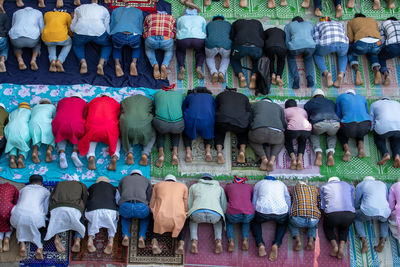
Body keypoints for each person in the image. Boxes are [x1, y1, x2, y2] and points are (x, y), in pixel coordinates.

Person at [10, 175, 50, 260]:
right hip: (35, 220)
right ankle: (40, 248)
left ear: (30, 183)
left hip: (17, 217)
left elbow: (18, 202)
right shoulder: (45, 191)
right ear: (41, 184)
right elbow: (46, 210)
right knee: (46, 226)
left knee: (20, 224)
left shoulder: (23, 190)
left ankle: (22, 244)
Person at [251, 176, 290, 261]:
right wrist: (288, 212)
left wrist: (254, 211)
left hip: (262, 212)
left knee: (255, 222)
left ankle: (260, 244)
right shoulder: (281, 184)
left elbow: (254, 198)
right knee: (283, 223)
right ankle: (276, 244)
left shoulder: (259, 183)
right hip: (281, 212)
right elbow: (287, 198)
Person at [78, 95, 121, 171]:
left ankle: (91, 156)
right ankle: (115, 156)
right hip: (109, 128)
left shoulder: (93, 101)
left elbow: (87, 110)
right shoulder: (115, 102)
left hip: (93, 126)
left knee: (91, 137)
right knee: (116, 138)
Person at [44, 179, 87, 254]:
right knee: (80, 220)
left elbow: (51, 198)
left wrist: (49, 214)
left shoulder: (59, 184)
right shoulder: (81, 185)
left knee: (55, 223)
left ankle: (57, 238)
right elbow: (85, 198)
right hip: (74, 209)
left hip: (57, 208)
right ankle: (77, 239)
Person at [188, 173, 227, 254]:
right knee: (218, 221)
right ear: (212, 180)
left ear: (201, 180)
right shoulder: (219, 188)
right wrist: (222, 215)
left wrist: (190, 213)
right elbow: (223, 204)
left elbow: (190, 203)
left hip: (197, 213)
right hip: (214, 215)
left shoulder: (194, 186)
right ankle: (218, 241)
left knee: (192, 221)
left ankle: (194, 241)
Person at [150, 174, 188, 255]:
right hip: (177, 218)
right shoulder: (183, 186)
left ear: (165, 181)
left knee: (153, 217)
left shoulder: (157, 185)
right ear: (175, 181)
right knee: (184, 219)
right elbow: (185, 205)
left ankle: (155, 243)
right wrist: (185, 213)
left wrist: (152, 211)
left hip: (161, 218)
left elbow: (152, 204)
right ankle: (181, 244)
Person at [70, 3, 112, 75]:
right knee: (107, 45)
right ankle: (101, 62)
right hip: (98, 32)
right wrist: (107, 36)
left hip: (81, 32)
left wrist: (74, 32)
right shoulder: (104, 9)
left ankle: (83, 62)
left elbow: (73, 25)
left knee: (77, 45)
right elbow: (107, 26)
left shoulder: (79, 8)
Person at [320, 177, 355, 259]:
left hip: (333, 214)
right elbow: (351, 201)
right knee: (344, 228)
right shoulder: (348, 185)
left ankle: (335, 246)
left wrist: (326, 212)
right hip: (349, 214)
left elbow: (322, 204)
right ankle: (342, 248)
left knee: (328, 227)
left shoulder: (324, 187)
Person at [354, 176, 391, 253]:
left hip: (368, 212)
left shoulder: (361, 185)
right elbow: (386, 199)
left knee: (357, 218)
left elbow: (356, 203)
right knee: (384, 221)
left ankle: (364, 241)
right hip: (384, 212)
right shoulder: (382, 184)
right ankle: (383, 240)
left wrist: (358, 205)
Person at [248, 98, 286, 171]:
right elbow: (283, 123)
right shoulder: (279, 107)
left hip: (259, 131)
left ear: (261, 101)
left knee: (252, 140)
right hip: (276, 133)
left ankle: (263, 158)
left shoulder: (255, 105)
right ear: (271, 102)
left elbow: (250, 119)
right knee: (280, 142)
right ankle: (272, 159)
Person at [304, 89, 340, 167]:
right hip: (334, 123)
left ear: (313, 97)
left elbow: (307, 116)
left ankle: (318, 153)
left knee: (313, 134)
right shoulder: (331, 102)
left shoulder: (309, 103)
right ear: (324, 96)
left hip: (319, 124)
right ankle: (330, 154)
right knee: (332, 135)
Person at [214, 88, 251, 164]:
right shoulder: (244, 97)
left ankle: (219, 152)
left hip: (223, 122)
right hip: (240, 124)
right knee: (243, 132)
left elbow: (215, 108)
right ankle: (242, 151)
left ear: (225, 91)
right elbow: (248, 111)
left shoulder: (220, 95)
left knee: (219, 131)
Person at [84, 176, 118, 255]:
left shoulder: (91, 188)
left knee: (90, 221)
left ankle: (90, 239)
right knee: (114, 221)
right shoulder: (114, 188)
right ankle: (111, 240)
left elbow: (86, 200)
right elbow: (117, 201)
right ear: (108, 182)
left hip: (93, 211)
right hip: (110, 211)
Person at [52, 93, 87, 169]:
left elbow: (58, 110)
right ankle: (74, 153)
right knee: (81, 134)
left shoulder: (62, 100)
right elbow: (84, 116)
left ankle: (62, 154)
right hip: (75, 125)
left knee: (60, 135)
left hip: (59, 123)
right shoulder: (83, 103)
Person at [118, 170, 152, 248]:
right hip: (140, 207)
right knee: (146, 217)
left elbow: (120, 192)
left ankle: (126, 235)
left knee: (124, 217)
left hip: (125, 206)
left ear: (131, 174)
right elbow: (149, 195)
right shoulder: (146, 179)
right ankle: (141, 236)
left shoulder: (124, 178)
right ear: (140, 175)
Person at [120, 94, 155, 167]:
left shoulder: (124, 101)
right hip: (144, 130)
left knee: (123, 132)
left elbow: (120, 112)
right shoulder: (150, 101)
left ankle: (129, 152)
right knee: (153, 134)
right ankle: (145, 153)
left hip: (128, 128)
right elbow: (153, 113)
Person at [347, 14, 382, 86]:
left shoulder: (351, 21)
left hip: (362, 43)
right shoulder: (373, 20)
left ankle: (357, 71)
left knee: (352, 54)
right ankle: (377, 70)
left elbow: (350, 39)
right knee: (373, 54)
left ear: (356, 17)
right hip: (377, 43)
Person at [313, 17, 349, 88]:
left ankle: (326, 73)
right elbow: (344, 34)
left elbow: (316, 38)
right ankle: (341, 74)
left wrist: (317, 48)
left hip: (326, 44)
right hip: (342, 43)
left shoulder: (318, 24)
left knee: (317, 55)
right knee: (342, 56)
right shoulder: (339, 24)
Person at [336, 90, 371, 162]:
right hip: (365, 126)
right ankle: (361, 148)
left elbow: (338, 114)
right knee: (360, 130)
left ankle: (347, 150)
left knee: (340, 131)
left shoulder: (341, 97)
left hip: (349, 127)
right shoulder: (362, 97)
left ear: (346, 93)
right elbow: (366, 112)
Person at [153, 88, 184, 168]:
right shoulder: (180, 95)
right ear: (172, 90)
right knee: (176, 132)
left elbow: (154, 107)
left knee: (160, 132)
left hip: (161, 124)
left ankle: (161, 153)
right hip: (177, 124)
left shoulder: (157, 94)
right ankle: (174, 153)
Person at [182, 87, 215, 163]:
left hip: (192, 120)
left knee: (186, 133)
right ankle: (208, 151)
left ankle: (188, 152)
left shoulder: (189, 96)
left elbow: (183, 109)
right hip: (206, 121)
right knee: (210, 131)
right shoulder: (211, 97)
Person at [110, 6, 143, 77]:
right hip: (133, 35)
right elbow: (140, 28)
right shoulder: (139, 11)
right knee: (136, 48)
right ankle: (133, 63)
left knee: (116, 48)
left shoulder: (115, 10)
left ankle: (117, 64)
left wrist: (112, 34)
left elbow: (111, 25)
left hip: (118, 34)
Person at [230, 19, 264, 89]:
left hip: (240, 47)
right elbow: (262, 36)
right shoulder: (258, 22)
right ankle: (254, 75)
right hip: (255, 47)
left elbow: (232, 37)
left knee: (234, 59)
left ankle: (241, 75)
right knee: (257, 60)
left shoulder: (236, 22)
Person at [284, 16, 316, 89]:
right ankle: (310, 78)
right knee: (308, 58)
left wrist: (288, 49)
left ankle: (296, 78)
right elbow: (312, 36)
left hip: (295, 47)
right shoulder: (309, 24)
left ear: (293, 21)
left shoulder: (288, 26)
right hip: (310, 46)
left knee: (291, 58)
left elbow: (287, 39)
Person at [143, 11, 176, 80]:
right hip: (166, 39)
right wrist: (173, 38)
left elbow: (145, 28)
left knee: (149, 50)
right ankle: (164, 65)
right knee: (169, 51)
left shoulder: (149, 16)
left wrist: (145, 36)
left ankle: (155, 64)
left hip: (151, 38)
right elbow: (174, 30)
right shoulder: (171, 18)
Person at [225, 176, 254, 252]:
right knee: (246, 221)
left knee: (228, 221)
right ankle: (245, 240)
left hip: (233, 214)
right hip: (248, 213)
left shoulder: (228, 186)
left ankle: (231, 241)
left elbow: (226, 197)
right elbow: (251, 198)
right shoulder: (249, 187)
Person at [289, 181, 320, 251]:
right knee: (314, 225)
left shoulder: (294, 189)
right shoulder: (314, 189)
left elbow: (291, 201)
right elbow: (318, 203)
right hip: (313, 219)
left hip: (298, 220)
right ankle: (310, 241)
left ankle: (298, 240)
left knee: (291, 221)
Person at [176, 8, 206, 80]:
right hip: (198, 39)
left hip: (183, 39)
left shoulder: (180, 18)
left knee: (180, 51)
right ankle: (198, 67)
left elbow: (178, 29)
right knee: (200, 51)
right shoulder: (201, 18)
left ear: (185, 12)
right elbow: (204, 31)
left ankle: (182, 67)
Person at [370, 97, 400, 167]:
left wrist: (372, 129)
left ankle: (385, 153)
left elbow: (371, 119)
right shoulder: (397, 103)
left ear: (380, 99)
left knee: (378, 137)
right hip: (399, 128)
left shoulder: (374, 104)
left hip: (384, 128)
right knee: (397, 139)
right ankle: (397, 155)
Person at [284, 99, 312, 170]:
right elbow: (306, 118)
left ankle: (293, 159)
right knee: (303, 140)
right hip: (307, 130)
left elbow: (284, 123)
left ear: (286, 106)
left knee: (287, 140)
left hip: (293, 130)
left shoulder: (285, 111)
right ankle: (299, 159)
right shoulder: (303, 111)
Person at [205, 15, 231, 84]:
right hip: (226, 45)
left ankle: (214, 73)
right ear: (223, 20)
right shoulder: (228, 24)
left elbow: (207, 35)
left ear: (213, 20)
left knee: (209, 58)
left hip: (211, 44)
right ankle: (222, 72)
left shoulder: (209, 24)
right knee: (226, 58)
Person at [4, 102, 31, 169]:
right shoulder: (30, 112)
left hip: (9, 130)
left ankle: (12, 158)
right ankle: (20, 158)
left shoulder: (13, 112)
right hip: (22, 130)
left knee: (12, 143)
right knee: (25, 142)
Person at [29, 98, 56, 164]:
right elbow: (55, 117)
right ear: (49, 103)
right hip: (46, 123)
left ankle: (35, 151)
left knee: (35, 138)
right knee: (54, 134)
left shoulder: (35, 107)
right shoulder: (52, 107)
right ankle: (49, 150)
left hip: (33, 124)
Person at [378, 17, 400, 85]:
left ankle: (386, 74)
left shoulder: (384, 24)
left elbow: (382, 38)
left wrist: (381, 47)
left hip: (393, 46)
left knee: (381, 57)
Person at [0, 182, 19, 253]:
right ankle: (7, 238)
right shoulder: (13, 188)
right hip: (8, 209)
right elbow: (16, 201)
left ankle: (0, 239)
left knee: (1, 222)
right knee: (10, 222)